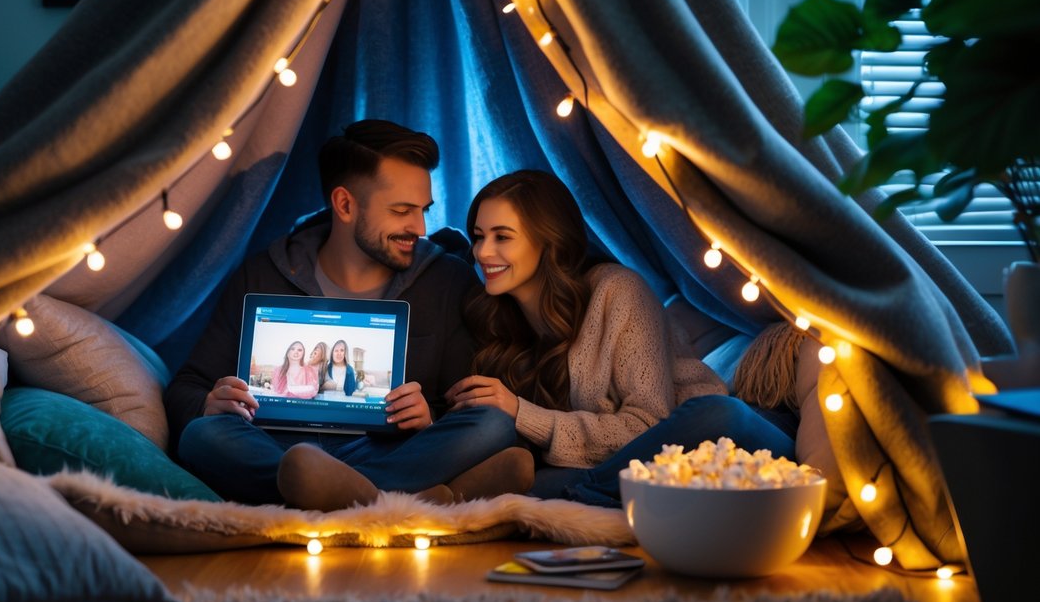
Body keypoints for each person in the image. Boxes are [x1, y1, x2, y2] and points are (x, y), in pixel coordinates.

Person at [165, 120, 532, 511]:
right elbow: (185, 388)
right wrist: (210, 401)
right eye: (402, 211)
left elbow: (461, 403)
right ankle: (400, 500)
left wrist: (429, 416)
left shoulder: (447, 279)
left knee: (493, 424)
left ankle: (325, 492)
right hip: (282, 448)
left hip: (392, 450)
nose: (420, 227)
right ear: (344, 205)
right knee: (202, 436)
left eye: (423, 210)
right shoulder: (262, 274)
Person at [445, 169, 796, 507]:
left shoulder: (617, 290)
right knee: (541, 477)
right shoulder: (495, 314)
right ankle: (558, 497)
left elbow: (648, 427)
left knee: (719, 413)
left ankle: (562, 497)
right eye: (478, 236)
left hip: (723, 438)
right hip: (613, 468)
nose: (482, 252)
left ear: (548, 240)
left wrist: (523, 413)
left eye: (502, 237)